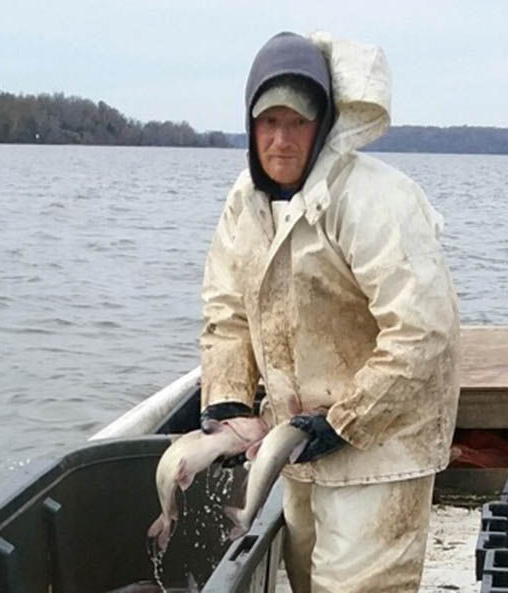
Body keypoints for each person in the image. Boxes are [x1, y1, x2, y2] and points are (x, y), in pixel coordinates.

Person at [198, 31, 460, 593]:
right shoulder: (245, 203)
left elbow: (422, 332)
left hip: (382, 449)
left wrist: (343, 421)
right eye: (269, 122)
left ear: (325, 125)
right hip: (298, 444)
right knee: (305, 578)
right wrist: (227, 398)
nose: (282, 139)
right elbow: (226, 312)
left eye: (298, 122)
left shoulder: (374, 199)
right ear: (251, 126)